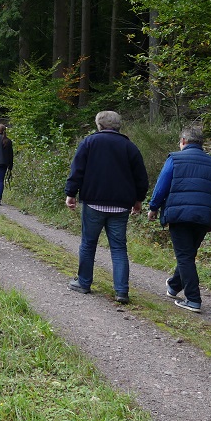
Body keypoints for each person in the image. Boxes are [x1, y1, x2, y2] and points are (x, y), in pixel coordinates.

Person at [64, 111, 148, 304]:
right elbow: (141, 178)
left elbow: (77, 170)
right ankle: (121, 291)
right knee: (119, 248)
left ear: (99, 125)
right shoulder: (130, 147)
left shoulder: (89, 143)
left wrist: (71, 194)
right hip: (120, 207)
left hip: (93, 203)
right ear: (118, 126)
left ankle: (84, 283)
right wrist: (138, 200)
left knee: (88, 244)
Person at [147, 126, 211, 314]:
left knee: (184, 256)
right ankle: (174, 286)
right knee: (188, 255)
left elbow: (162, 185)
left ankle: (193, 299)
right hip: (206, 216)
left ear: (183, 141)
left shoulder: (175, 158)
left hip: (180, 214)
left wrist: (153, 207)